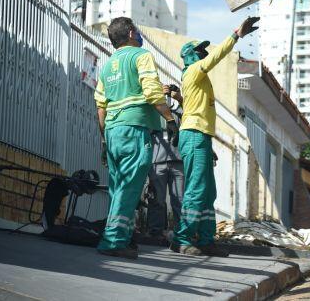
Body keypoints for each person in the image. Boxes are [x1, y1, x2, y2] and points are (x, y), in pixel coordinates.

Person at [170, 16, 260, 256]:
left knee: (208, 192)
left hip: (201, 136)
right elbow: (217, 56)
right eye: (199, 51)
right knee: (197, 189)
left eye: (203, 51)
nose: (202, 54)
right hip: (194, 134)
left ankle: (207, 239)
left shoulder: (198, 79)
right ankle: (182, 238)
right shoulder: (193, 71)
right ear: (190, 55)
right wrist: (235, 35)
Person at [94, 17, 175, 259]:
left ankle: (124, 238)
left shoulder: (107, 66)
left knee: (118, 187)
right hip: (134, 128)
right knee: (130, 187)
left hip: (112, 131)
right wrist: (170, 120)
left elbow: (100, 106)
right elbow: (151, 91)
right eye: (137, 31)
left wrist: (104, 141)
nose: (139, 35)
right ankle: (113, 241)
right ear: (131, 33)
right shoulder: (141, 56)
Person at [145, 84, 185, 241]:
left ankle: (182, 233)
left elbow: (192, 116)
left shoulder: (180, 111)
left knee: (179, 199)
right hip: (158, 160)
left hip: (178, 160)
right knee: (157, 198)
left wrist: (179, 97)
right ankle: (155, 231)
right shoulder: (153, 111)